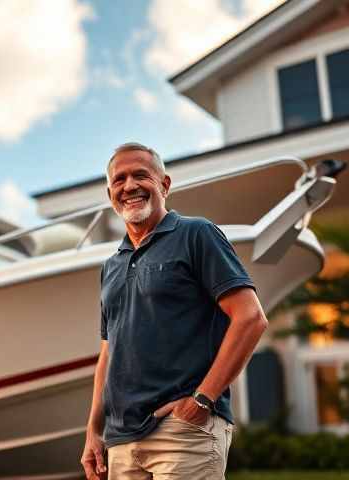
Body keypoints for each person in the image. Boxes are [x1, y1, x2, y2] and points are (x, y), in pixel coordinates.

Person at [80, 142, 268, 480]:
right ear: (110, 193)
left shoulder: (196, 234)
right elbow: (108, 353)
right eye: (119, 179)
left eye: (141, 175)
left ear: (164, 184)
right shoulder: (110, 265)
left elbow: (250, 318)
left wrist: (202, 400)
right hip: (122, 441)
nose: (130, 186)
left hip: (182, 432)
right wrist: (94, 430)